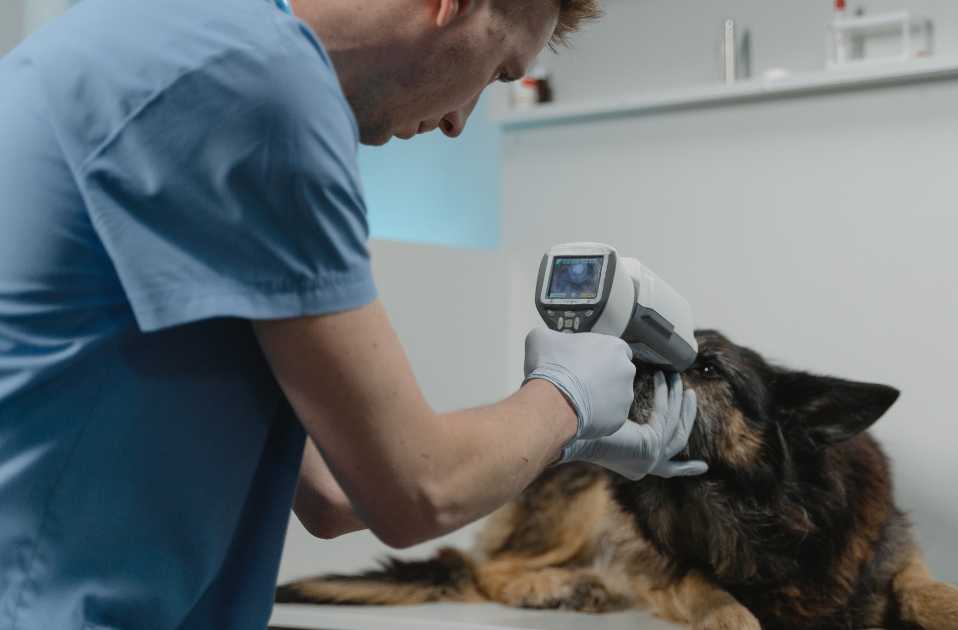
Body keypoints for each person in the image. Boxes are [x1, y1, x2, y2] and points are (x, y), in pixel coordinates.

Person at [0, 0, 707, 627]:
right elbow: (417, 491)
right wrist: (566, 401)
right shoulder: (258, 82)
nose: (463, 123)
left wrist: (564, 441)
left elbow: (339, 492)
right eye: (497, 71)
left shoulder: (174, 35)